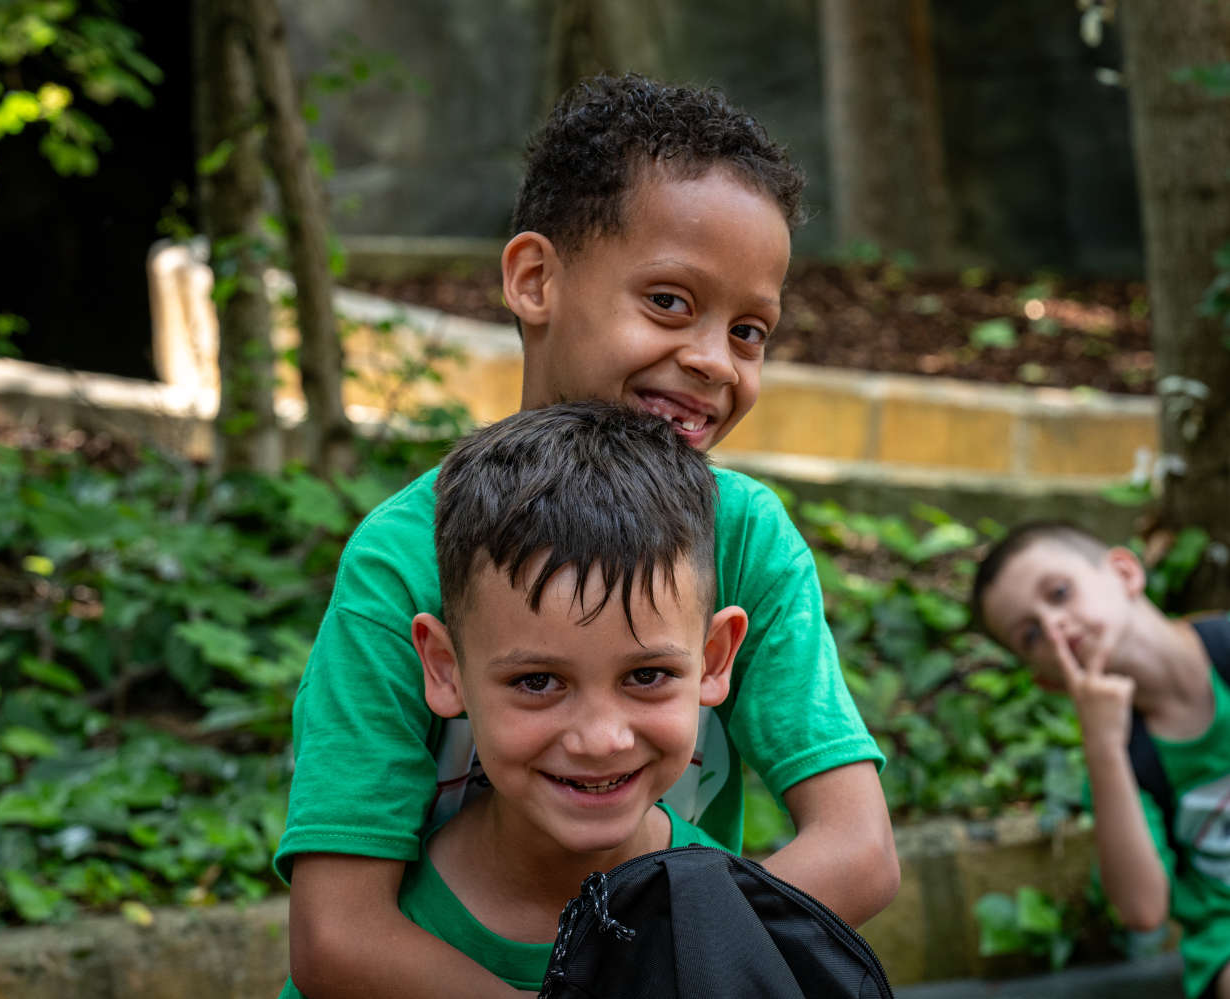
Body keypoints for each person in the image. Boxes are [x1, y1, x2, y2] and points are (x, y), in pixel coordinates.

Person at [279, 74, 899, 998]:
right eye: (668, 302)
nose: (711, 360)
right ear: (536, 279)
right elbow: (338, 935)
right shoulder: (406, 555)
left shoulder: (748, 541)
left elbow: (858, 850)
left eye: (750, 330)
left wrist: (666, 959)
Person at [279, 402, 748, 998]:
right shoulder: (369, 962)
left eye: (648, 675)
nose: (601, 739)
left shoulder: (727, 918)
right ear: (446, 670)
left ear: (711, 660)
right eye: (536, 682)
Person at [972, 521, 1230, 999]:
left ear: (1125, 572)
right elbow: (1142, 910)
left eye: (1060, 592)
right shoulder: (1118, 766)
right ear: (1046, 681)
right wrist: (1104, 747)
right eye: (1030, 635)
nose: (1054, 628)